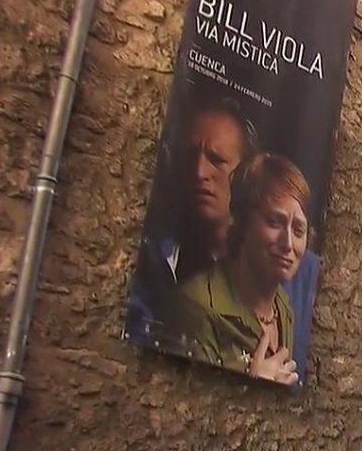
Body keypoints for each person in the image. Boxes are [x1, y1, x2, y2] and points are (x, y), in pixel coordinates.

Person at [124, 96, 322, 378]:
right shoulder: (156, 260)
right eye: (190, 157)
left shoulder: (298, 285)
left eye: (216, 160)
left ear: (243, 175)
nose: (199, 172)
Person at [163, 153, 312, 386]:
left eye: (299, 230)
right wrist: (251, 386)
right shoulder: (196, 306)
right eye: (274, 222)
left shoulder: (283, 308)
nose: (288, 244)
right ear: (243, 222)